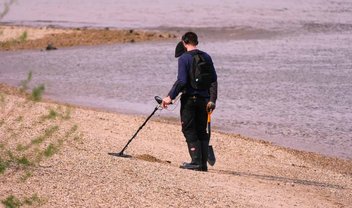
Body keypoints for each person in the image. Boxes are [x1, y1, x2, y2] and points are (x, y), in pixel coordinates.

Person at [162, 32, 218, 171]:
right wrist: (212, 100)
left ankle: (196, 162)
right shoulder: (207, 56)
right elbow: (213, 80)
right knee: (201, 130)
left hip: (190, 100)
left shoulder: (184, 58)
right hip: (205, 101)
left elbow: (182, 81)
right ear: (196, 42)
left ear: (184, 42)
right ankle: (203, 164)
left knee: (188, 129)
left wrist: (170, 97)